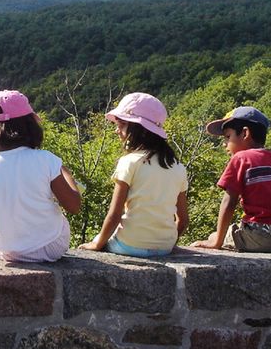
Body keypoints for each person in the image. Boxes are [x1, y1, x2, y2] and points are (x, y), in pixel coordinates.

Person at [0, 90, 81, 262]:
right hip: (52, 246)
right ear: (30, 124)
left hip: (7, 251)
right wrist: (67, 175)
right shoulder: (47, 159)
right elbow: (74, 206)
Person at [79, 92, 189, 257]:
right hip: (165, 246)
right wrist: (168, 242)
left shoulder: (129, 162)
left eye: (122, 125)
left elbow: (114, 215)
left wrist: (97, 243)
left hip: (129, 245)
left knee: (99, 240)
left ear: (139, 129)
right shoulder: (178, 167)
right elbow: (183, 220)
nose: (117, 130)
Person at [190, 107, 271, 252]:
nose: (224, 144)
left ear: (245, 133)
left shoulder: (241, 159)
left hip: (260, 236)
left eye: (227, 137)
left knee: (214, 236)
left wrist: (217, 242)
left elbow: (229, 202)